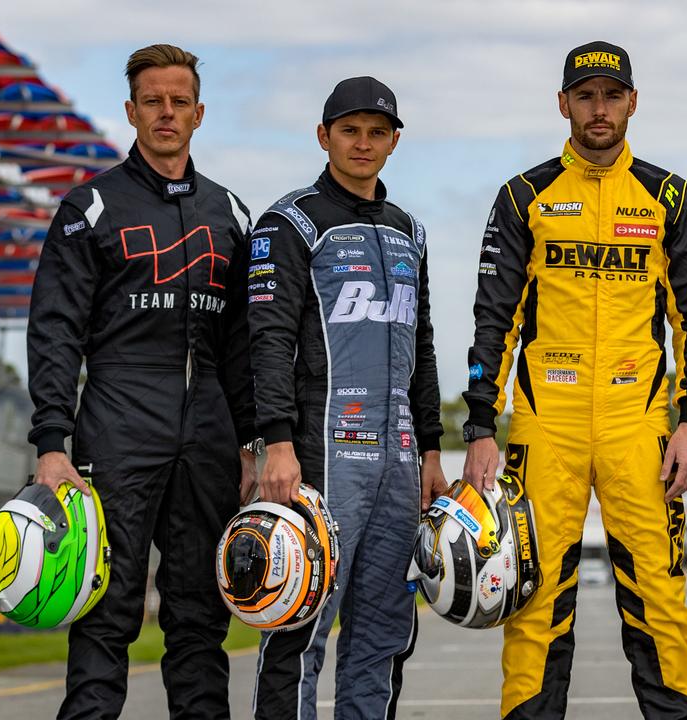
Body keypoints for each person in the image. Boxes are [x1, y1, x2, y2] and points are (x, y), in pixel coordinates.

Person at [461, 41, 687, 719]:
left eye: (611, 95)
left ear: (633, 101)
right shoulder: (525, 195)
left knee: (659, 595)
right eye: (585, 95)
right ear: (563, 104)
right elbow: (495, 320)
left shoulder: (669, 195)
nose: (598, 109)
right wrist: (481, 426)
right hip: (548, 425)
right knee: (534, 598)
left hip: (640, 426)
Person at [26, 44, 258, 719]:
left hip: (208, 433)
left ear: (199, 113)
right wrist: (51, 440)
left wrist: (254, 442)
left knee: (199, 618)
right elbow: (55, 332)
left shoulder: (232, 215)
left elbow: (246, 346)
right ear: (130, 110)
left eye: (178, 101)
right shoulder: (88, 209)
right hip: (116, 428)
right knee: (105, 609)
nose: (165, 112)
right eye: (152, 101)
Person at [245, 75, 445, 720]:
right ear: (323, 135)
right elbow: (268, 341)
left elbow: (424, 347)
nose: (363, 143)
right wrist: (275, 441)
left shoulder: (408, 229)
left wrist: (433, 449)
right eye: (350, 130)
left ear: (394, 141)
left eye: (377, 132)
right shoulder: (290, 222)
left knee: (384, 633)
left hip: (400, 458)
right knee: (300, 625)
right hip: (318, 453)